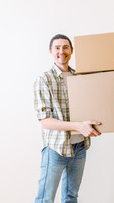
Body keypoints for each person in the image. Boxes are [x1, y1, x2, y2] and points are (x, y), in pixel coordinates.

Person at [33, 34, 101, 203]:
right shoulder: (44, 80)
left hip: (79, 147)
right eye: (57, 48)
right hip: (56, 149)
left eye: (65, 47)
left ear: (71, 51)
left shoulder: (80, 77)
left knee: (71, 197)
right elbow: (45, 121)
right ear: (50, 51)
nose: (61, 51)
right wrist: (78, 126)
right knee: (45, 199)